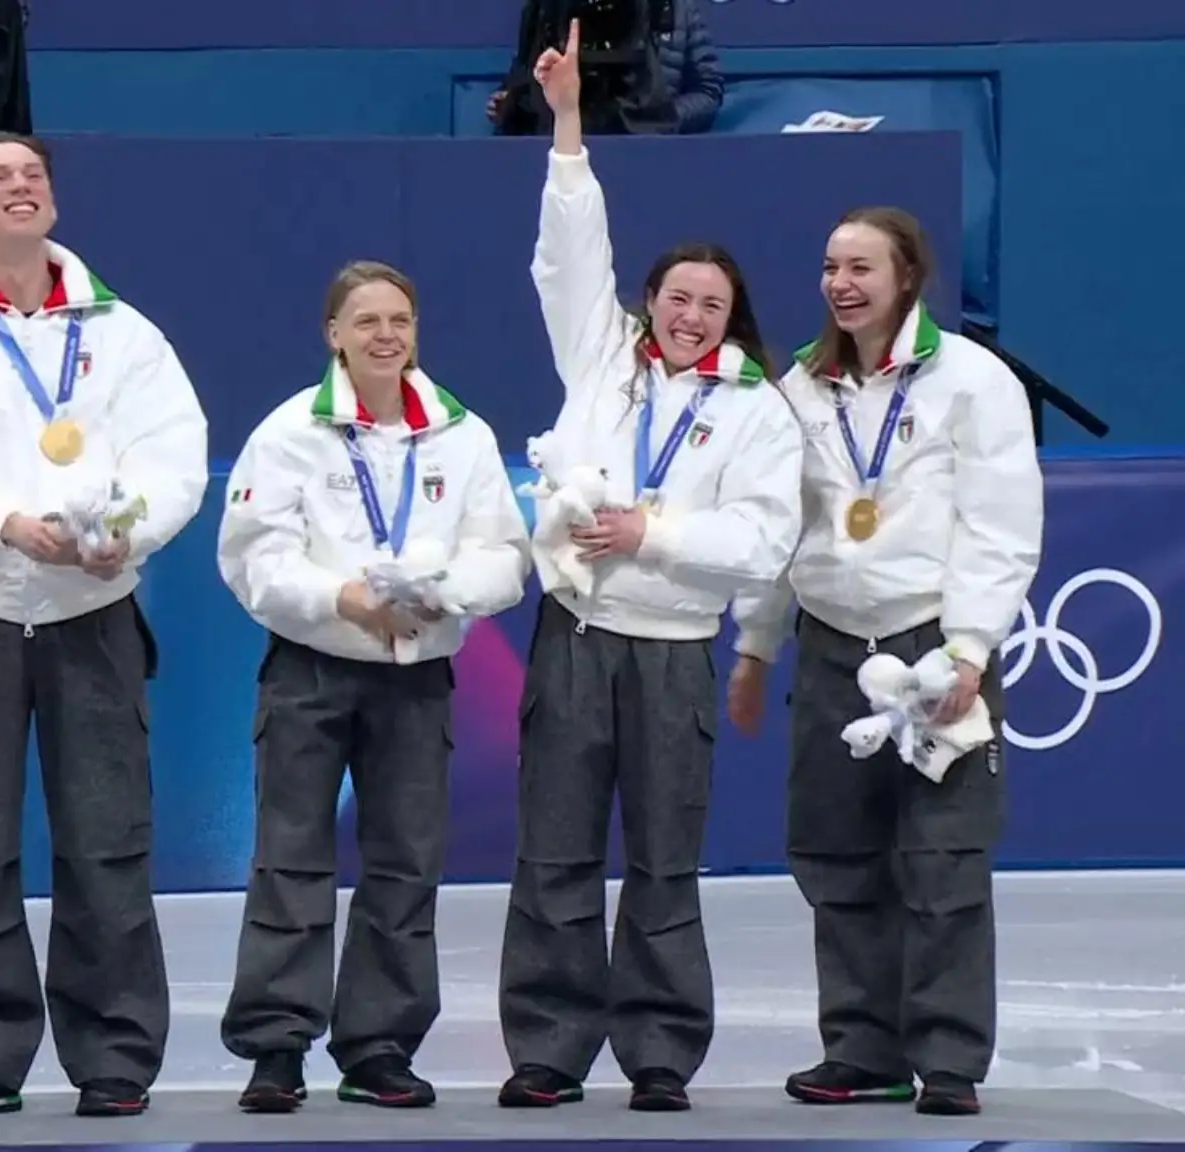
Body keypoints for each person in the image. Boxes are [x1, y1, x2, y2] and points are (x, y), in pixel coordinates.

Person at [0, 131, 209, 1120]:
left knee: (107, 842)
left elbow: (173, 455)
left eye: (33, 174)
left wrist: (125, 533)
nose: (20, 185)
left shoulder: (122, 330)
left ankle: (114, 1056)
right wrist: (3, 523)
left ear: (51, 200)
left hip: (92, 611)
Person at [497, 21, 803, 1112]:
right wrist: (567, 126)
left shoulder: (757, 410)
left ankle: (660, 1052)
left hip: (673, 654)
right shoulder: (601, 358)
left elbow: (763, 541)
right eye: (675, 297)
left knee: (666, 858)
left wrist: (651, 535)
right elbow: (567, 254)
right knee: (554, 850)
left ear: (730, 320)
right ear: (650, 301)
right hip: (575, 640)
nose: (688, 316)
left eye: (709, 305)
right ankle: (546, 1049)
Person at [727, 207, 1043, 1118]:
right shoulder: (800, 388)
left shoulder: (972, 380)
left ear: (908, 276)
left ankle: (947, 1058)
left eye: (861, 266)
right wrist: (756, 645)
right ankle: (863, 1049)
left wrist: (970, 648)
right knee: (838, 855)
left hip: (933, 647)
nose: (841, 283)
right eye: (831, 266)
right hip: (832, 649)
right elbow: (782, 528)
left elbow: (1000, 523)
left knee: (943, 860)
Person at [215, 261, 533, 1112]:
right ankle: (277, 1045)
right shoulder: (290, 433)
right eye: (366, 322)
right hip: (311, 672)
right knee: (290, 857)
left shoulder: (462, 435)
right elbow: (252, 559)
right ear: (334, 335)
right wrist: (344, 599)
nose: (385, 336)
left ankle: (380, 1047)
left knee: (404, 862)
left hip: (417, 678)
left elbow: (505, 555)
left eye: (399, 320)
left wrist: (447, 593)